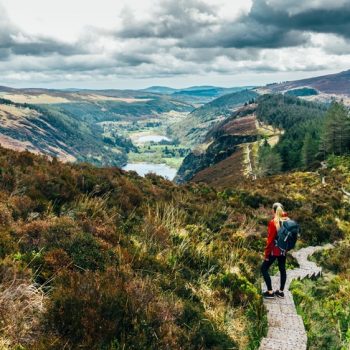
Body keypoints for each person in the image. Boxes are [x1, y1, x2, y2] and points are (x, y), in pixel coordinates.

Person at [261, 202, 289, 299]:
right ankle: (281, 292)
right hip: (283, 250)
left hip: (274, 250)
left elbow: (270, 240)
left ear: (273, 210)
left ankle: (270, 292)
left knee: (263, 268)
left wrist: (266, 254)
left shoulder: (274, 222)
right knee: (282, 269)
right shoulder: (287, 220)